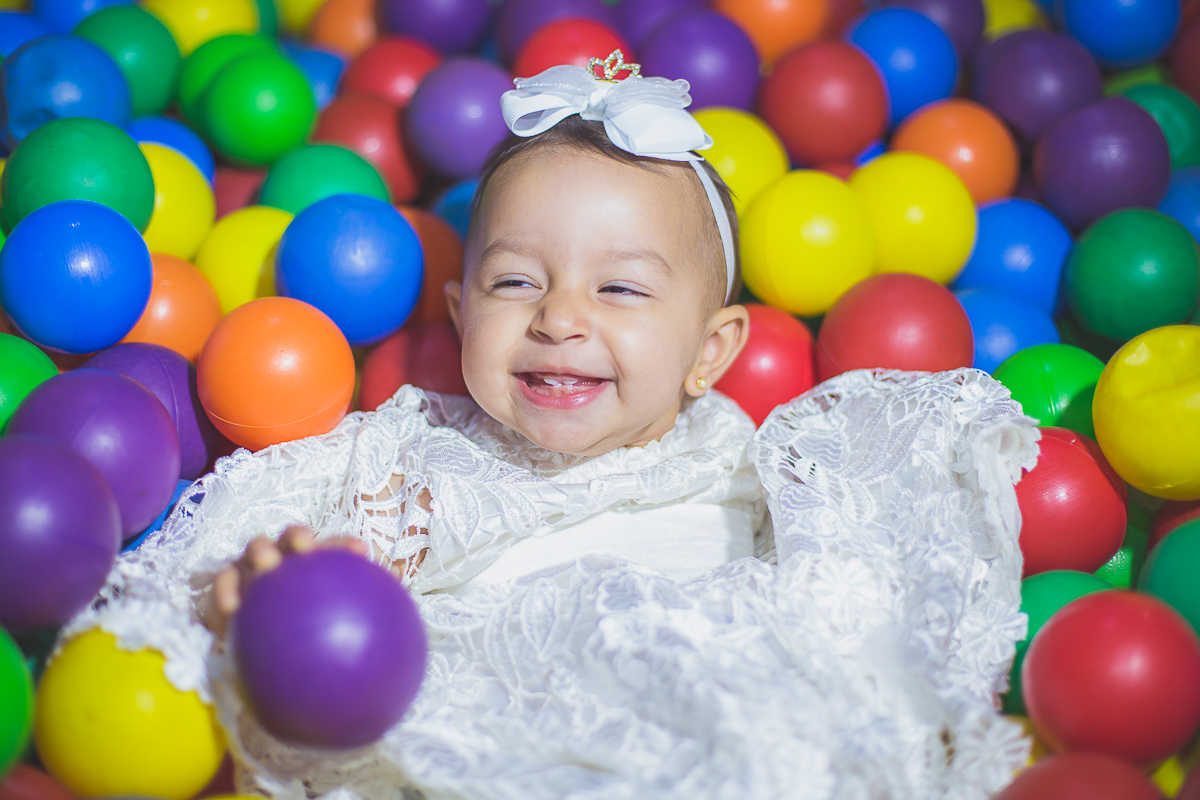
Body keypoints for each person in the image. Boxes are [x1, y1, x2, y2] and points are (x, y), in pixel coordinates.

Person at [62, 53, 1039, 800]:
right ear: (459, 315)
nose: (560, 317)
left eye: (621, 288)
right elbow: (266, 512)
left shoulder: (755, 469)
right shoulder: (408, 449)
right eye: (516, 281)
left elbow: (859, 592)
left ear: (711, 350)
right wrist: (254, 588)